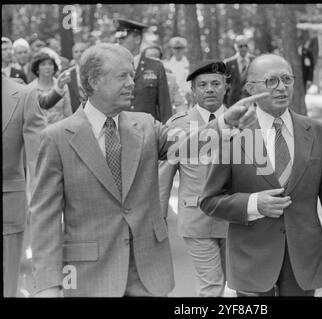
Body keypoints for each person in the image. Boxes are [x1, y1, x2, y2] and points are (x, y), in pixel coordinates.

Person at [29, 42, 257, 297]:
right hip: (88, 276)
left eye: (131, 74)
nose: (131, 82)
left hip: (148, 273)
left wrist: (224, 123)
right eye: (122, 76)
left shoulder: (146, 125)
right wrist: (47, 286)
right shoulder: (57, 138)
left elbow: (186, 143)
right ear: (94, 82)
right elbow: (44, 219)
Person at [200, 54, 322, 297]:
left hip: (304, 264)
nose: (281, 87)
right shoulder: (233, 135)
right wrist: (254, 204)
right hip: (251, 264)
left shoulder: (317, 132)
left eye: (287, 79)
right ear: (250, 89)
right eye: (271, 81)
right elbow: (209, 200)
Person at [159, 60, 230, 297]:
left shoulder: (244, 122)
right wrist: (159, 221)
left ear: (225, 87)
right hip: (196, 218)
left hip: (236, 220)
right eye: (202, 85)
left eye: (215, 83)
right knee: (211, 286)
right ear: (193, 90)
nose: (209, 89)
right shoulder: (178, 127)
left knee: (241, 286)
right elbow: (163, 178)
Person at [2, 76, 47, 297]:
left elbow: (38, 159)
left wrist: (43, 208)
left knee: (6, 285)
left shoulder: (24, 95)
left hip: (7, 207)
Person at [115, 18, 172, 123]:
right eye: (118, 38)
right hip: (120, 131)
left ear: (137, 39)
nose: (119, 41)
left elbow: (165, 107)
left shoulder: (156, 67)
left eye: (123, 38)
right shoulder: (112, 67)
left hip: (148, 133)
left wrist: (166, 133)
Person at [27, 49, 72, 124]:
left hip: (59, 130)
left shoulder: (62, 86)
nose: (47, 67)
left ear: (54, 68)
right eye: (43, 64)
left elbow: (68, 113)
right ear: (37, 69)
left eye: (50, 64)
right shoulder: (30, 88)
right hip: (39, 131)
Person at [144, 41, 186, 114]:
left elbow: (180, 104)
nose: (151, 63)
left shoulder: (171, 79)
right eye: (148, 59)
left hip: (166, 120)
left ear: (160, 61)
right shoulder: (137, 79)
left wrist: (179, 118)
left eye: (155, 58)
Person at [224, 35, 256, 107]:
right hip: (233, 103)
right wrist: (224, 102)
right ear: (236, 47)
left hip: (251, 102)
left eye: (245, 46)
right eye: (241, 46)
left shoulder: (255, 61)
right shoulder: (228, 63)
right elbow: (224, 85)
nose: (244, 48)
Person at [164, 36, 192, 107]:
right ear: (172, 50)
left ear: (184, 49)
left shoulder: (189, 64)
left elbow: (189, 82)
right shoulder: (167, 65)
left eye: (180, 48)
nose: (178, 51)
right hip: (171, 97)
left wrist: (189, 93)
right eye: (176, 48)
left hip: (185, 97)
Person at [65, 42, 88, 112]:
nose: (79, 54)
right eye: (76, 52)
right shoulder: (67, 72)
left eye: (82, 51)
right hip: (76, 111)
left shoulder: (95, 71)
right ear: (73, 54)